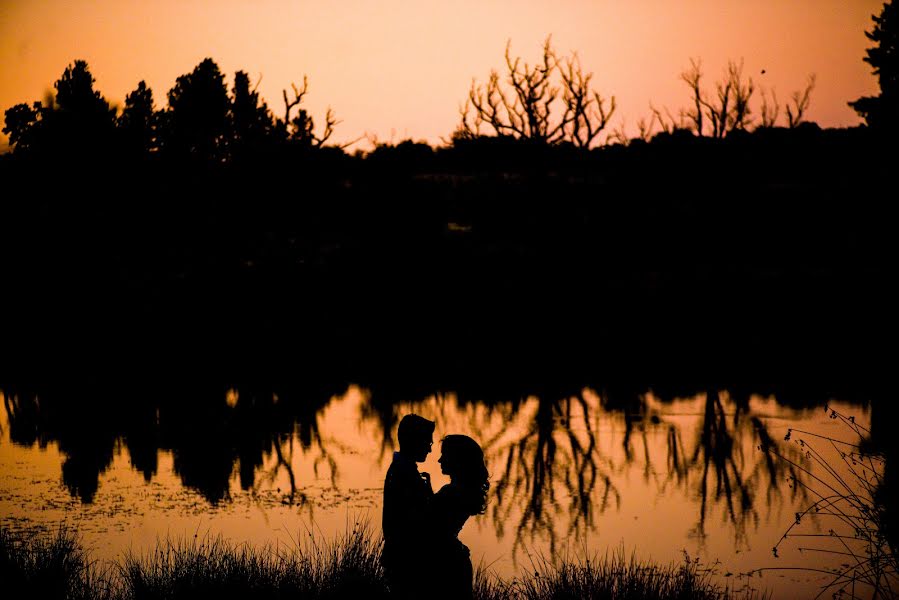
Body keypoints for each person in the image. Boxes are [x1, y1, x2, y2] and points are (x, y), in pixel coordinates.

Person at [427, 434, 490, 600]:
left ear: (457, 460)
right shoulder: (464, 490)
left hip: (447, 566)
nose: (439, 461)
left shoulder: (452, 492)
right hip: (455, 561)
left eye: (444, 456)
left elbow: (431, 523)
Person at [382, 413, 436, 599]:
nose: (429, 450)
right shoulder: (403, 472)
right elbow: (413, 519)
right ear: (414, 441)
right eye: (428, 443)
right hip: (405, 560)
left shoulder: (403, 469)